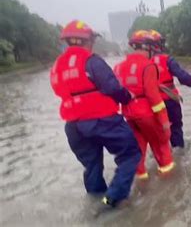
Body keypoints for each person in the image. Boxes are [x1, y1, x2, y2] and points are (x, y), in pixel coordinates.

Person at [50, 20, 141, 208]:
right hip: (102, 120)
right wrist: (127, 97)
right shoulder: (92, 61)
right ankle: (111, 199)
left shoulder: (57, 65)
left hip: (74, 126)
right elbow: (112, 87)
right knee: (131, 154)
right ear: (88, 40)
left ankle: (96, 202)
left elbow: (58, 90)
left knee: (92, 165)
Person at [114, 30, 174, 180]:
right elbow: (153, 96)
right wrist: (164, 121)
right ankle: (169, 180)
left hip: (128, 114)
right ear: (147, 47)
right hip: (146, 113)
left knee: (138, 147)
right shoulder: (148, 66)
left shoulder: (118, 67)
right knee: (161, 144)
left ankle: (142, 180)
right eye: (152, 47)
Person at [149, 30, 191, 148]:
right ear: (159, 44)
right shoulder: (168, 59)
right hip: (169, 100)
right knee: (176, 129)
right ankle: (179, 155)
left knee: (157, 133)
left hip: (151, 103)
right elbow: (183, 78)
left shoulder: (143, 62)